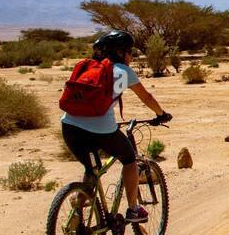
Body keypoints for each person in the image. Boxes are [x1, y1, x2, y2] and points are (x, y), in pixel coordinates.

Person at [60, 30, 170, 223]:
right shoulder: (122, 72)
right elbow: (146, 97)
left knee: (91, 168)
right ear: (121, 53)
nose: (130, 56)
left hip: (70, 126)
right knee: (129, 160)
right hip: (101, 128)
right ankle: (133, 209)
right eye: (129, 52)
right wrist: (161, 114)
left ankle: (77, 209)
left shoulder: (86, 67)